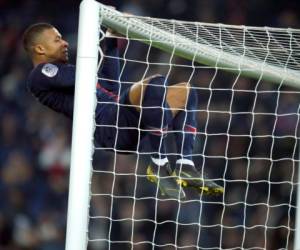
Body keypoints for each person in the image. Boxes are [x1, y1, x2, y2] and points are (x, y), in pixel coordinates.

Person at [22, 22, 223, 199]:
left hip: (123, 120)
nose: (65, 43)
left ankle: (185, 164)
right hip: (108, 125)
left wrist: (111, 40)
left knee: (187, 92)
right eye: (57, 40)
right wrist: (99, 34)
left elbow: (110, 86)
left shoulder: (72, 72)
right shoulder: (39, 75)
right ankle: (159, 165)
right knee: (156, 83)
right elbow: (82, 79)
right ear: (40, 48)